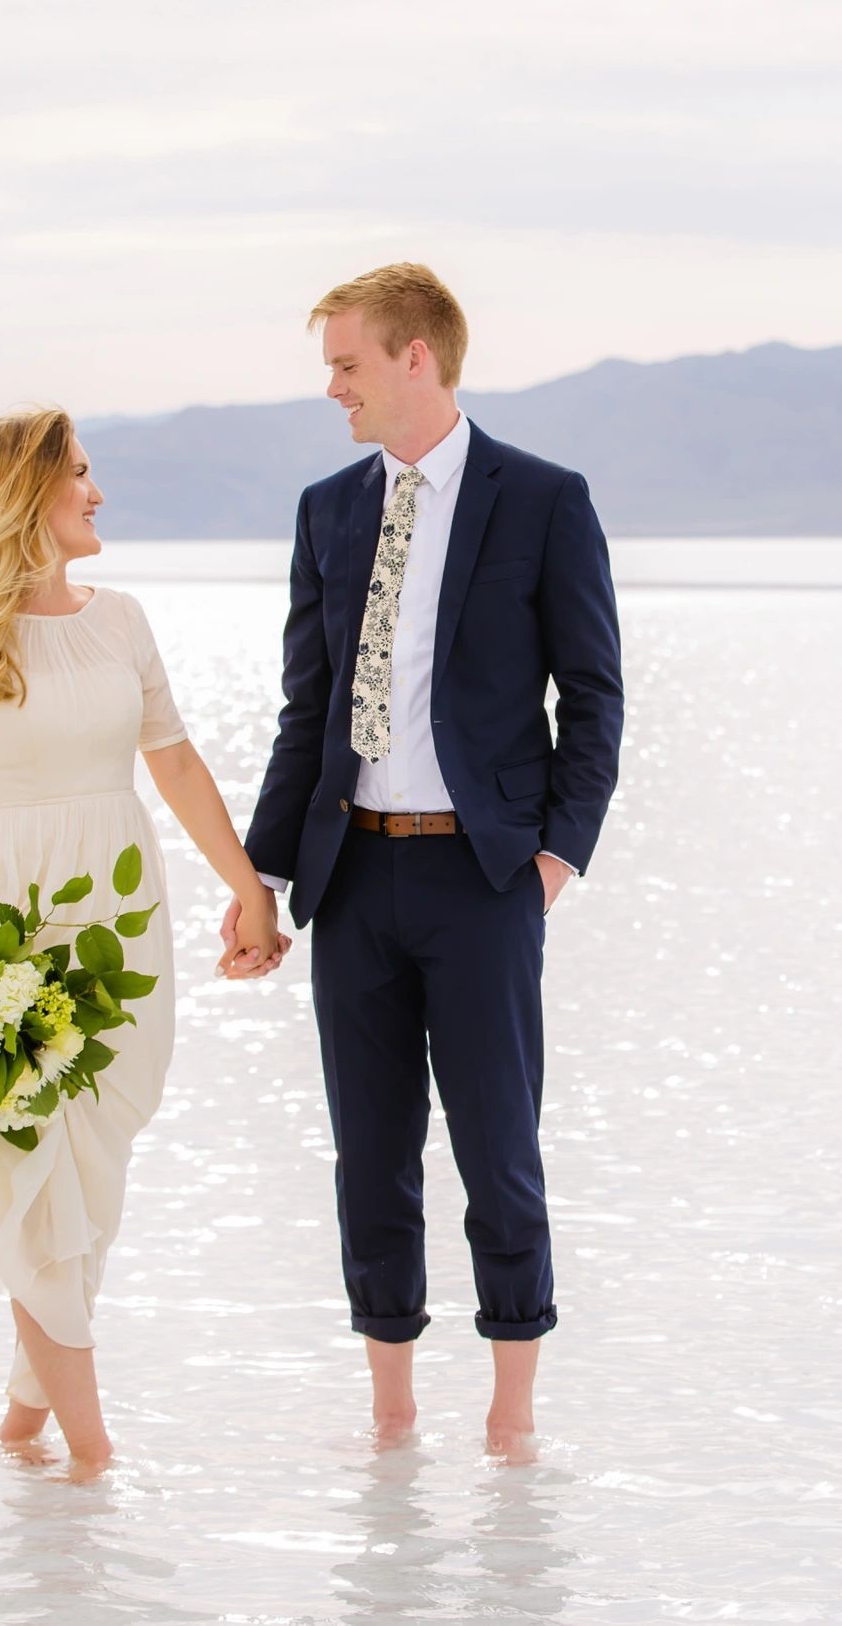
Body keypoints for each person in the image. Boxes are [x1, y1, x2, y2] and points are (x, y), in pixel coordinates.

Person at [225, 263, 625, 1457]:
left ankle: (511, 1424)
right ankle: (391, 1420)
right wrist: (265, 881)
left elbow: (593, 700)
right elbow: (309, 715)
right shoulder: (326, 509)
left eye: (346, 364)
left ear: (417, 357)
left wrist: (554, 859)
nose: (332, 388)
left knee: (499, 1149)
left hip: (485, 877)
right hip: (352, 879)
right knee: (371, 1155)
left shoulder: (542, 500)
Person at [0, 406, 283, 1476]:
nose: (97, 492)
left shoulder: (123, 618)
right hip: (7, 919)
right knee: (36, 1172)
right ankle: (94, 1461)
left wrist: (249, 893)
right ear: (22, 496)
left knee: (93, 1175)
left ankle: (20, 1433)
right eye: (80, 475)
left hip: (123, 921)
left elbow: (175, 764)